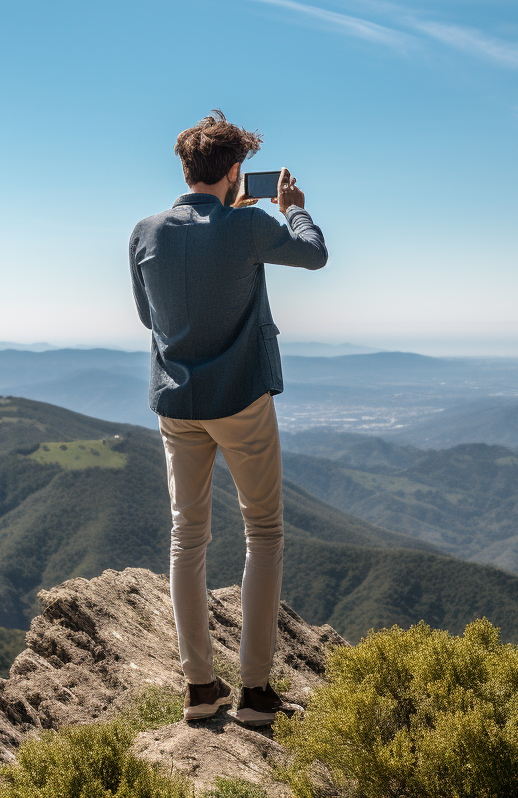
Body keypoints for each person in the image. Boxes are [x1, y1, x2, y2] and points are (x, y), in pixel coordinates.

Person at [129, 110, 328, 726]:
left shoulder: (145, 232)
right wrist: (291, 207)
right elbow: (314, 256)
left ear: (186, 168)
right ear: (237, 170)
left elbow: (148, 318)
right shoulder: (249, 226)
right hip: (240, 398)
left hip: (177, 403)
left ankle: (199, 689)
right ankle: (256, 692)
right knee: (262, 533)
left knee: (186, 538)